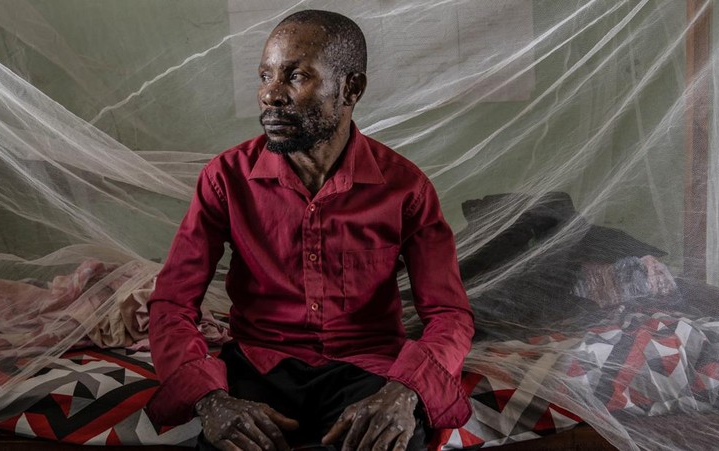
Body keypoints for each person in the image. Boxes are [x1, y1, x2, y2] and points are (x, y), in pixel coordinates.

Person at [146, 9, 474, 451]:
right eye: (265, 76)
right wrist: (210, 400)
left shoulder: (406, 188)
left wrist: (406, 392)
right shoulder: (225, 179)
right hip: (259, 367)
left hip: (369, 372)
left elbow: (449, 314)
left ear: (351, 88)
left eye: (296, 76)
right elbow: (171, 302)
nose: (271, 95)